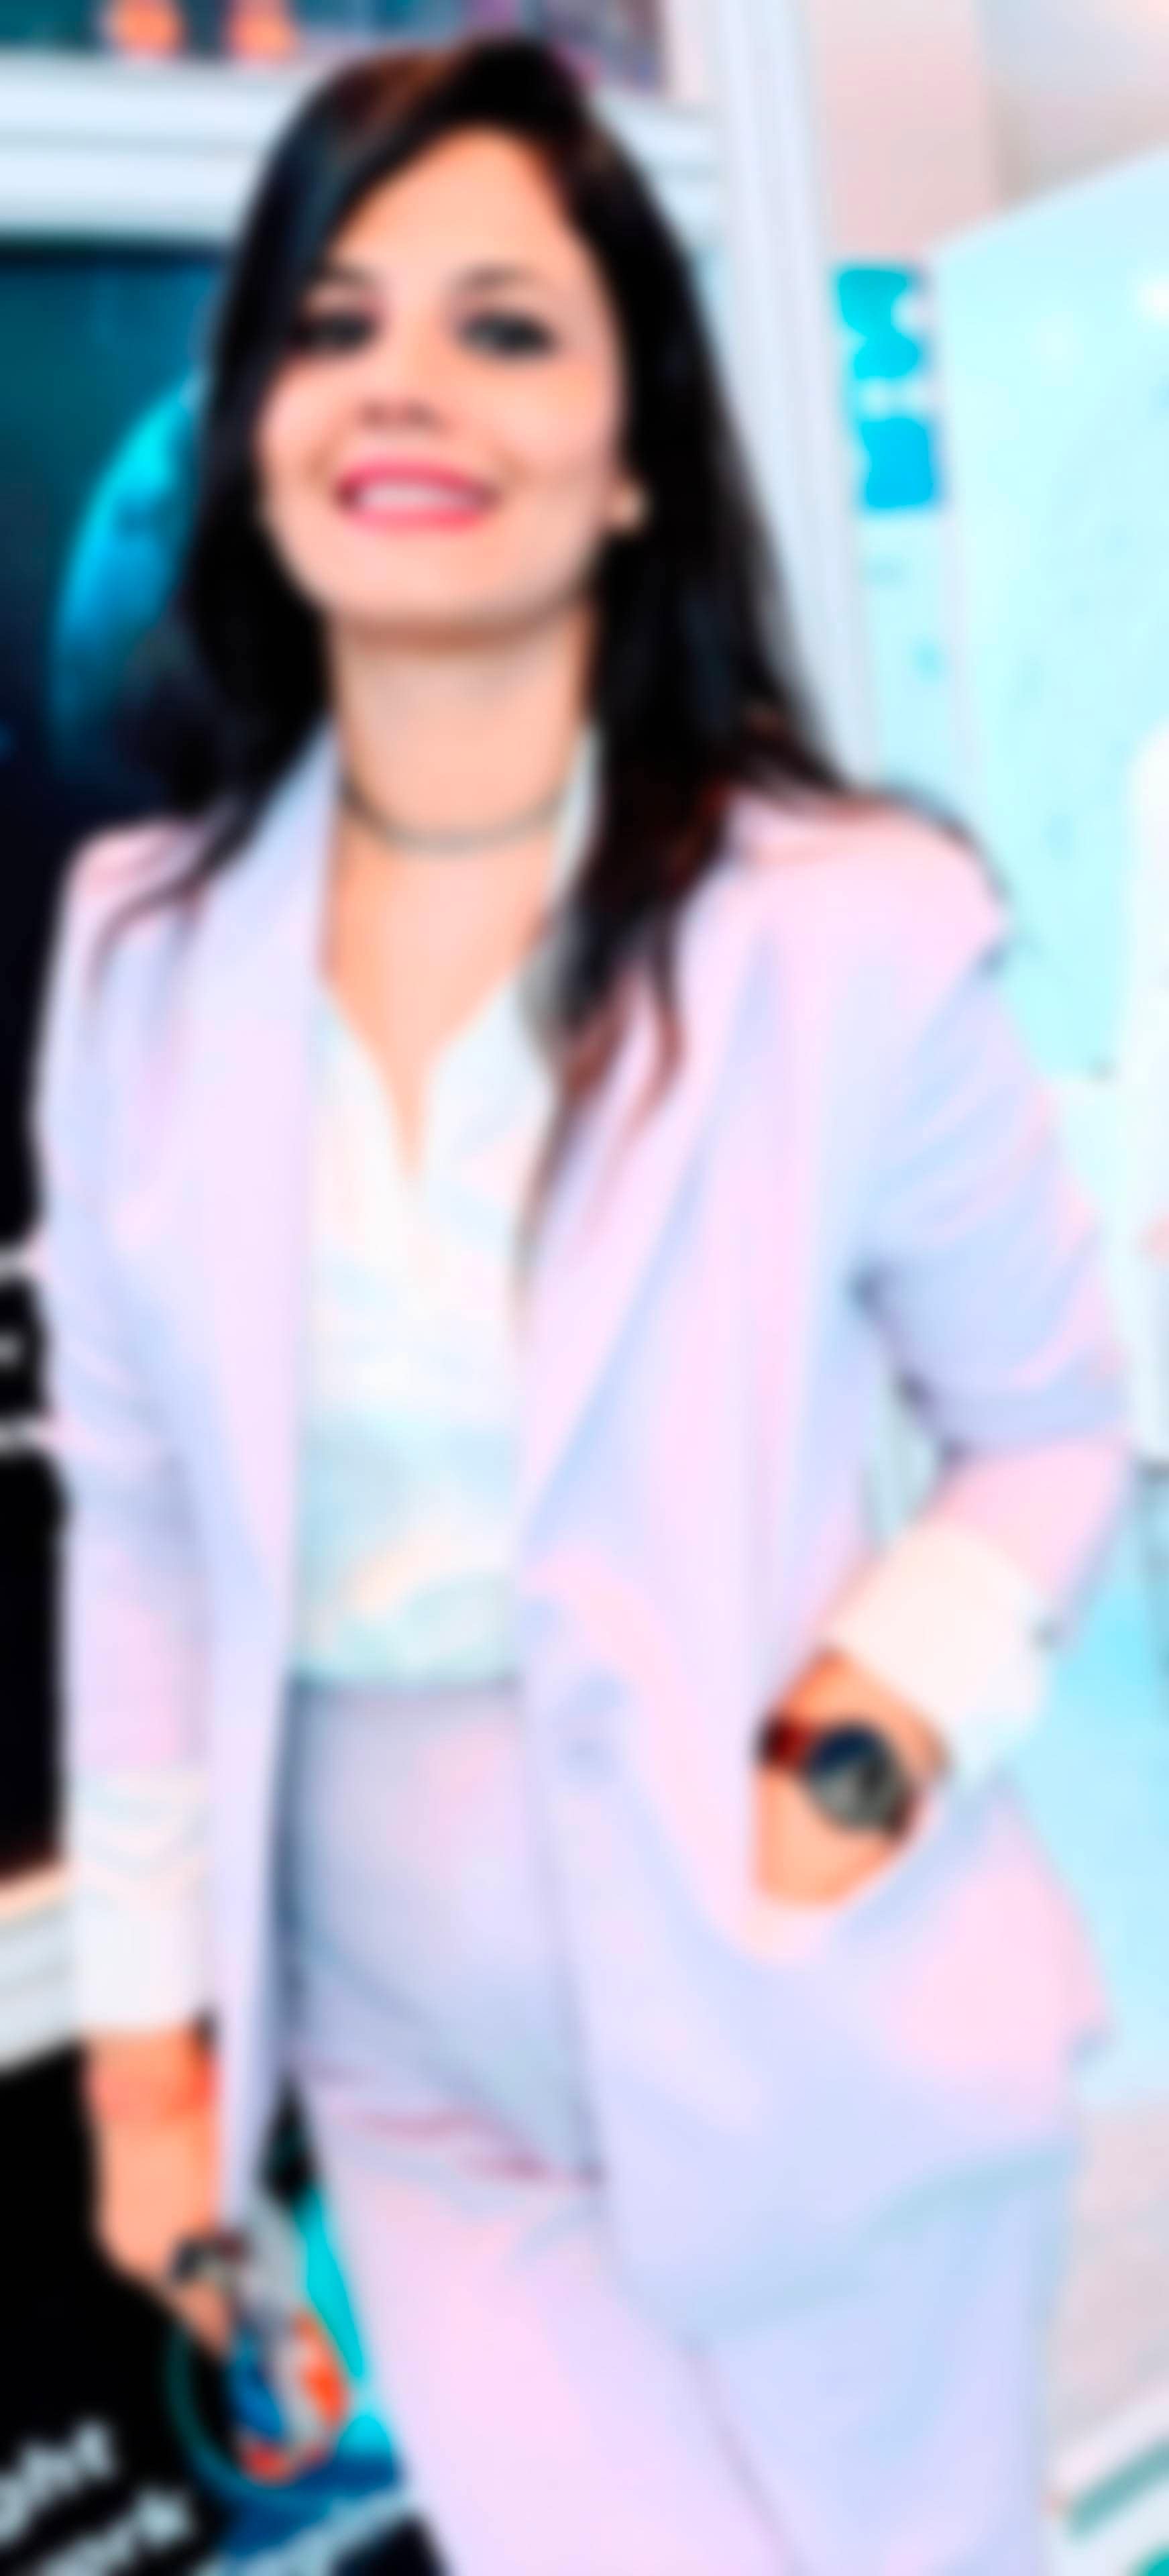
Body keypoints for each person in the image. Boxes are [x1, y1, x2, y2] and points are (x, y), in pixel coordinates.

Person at [33, 38, 1129, 2575]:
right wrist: (154, 2079)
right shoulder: (140, 957)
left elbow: (1050, 1424)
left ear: (633, 455)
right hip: (427, 2093)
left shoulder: (847, 927)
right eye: (335, 323)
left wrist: (856, 1750)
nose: (404, 382)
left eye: (503, 325)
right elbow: (149, 1535)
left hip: (816, 2019)